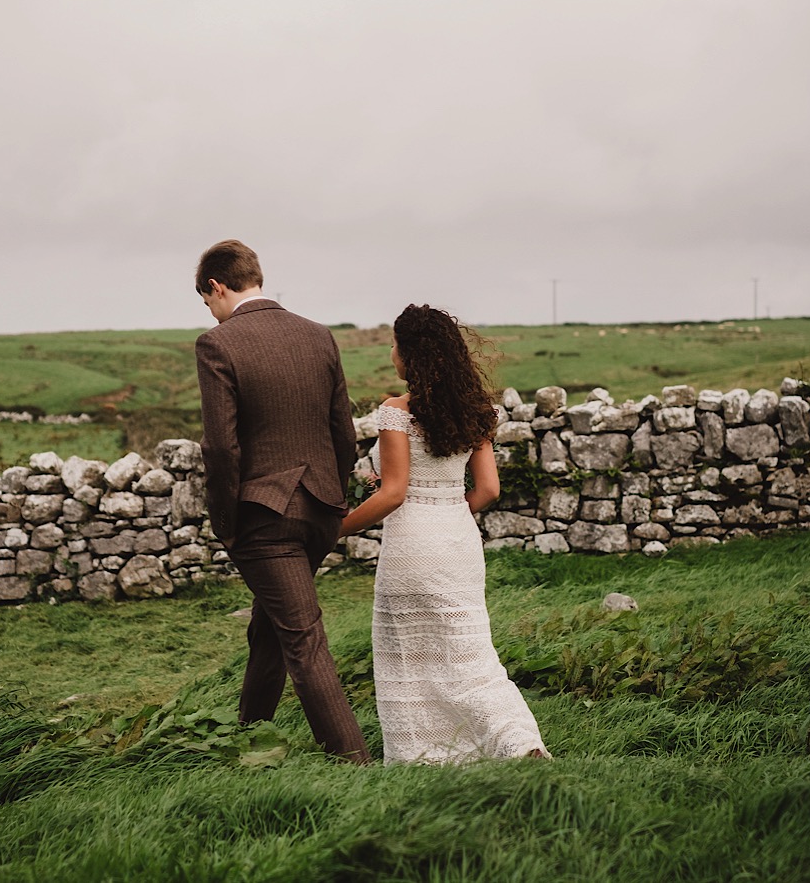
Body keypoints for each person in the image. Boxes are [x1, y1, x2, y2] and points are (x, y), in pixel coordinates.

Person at [340, 304, 549, 764]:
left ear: (411, 355)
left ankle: (424, 756)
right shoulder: (478, 411)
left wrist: (335, 529)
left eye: (394, 344)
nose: (390, 352)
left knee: (410, 656)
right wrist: (450, 508)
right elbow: (489, 489)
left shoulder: (397, 412)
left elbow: (393, 494)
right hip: (458, 540)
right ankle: (517, 742)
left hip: (412, 544)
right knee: (471, 654)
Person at [193, 239, 370, 764]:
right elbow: (345, 436)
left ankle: (355, 764)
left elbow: (221, 448)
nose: (212, 312)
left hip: (264, 520)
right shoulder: (319, 336)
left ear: (218, 287)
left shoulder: (217, 344)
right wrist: (333, 502)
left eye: (208, 302)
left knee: (304, 642)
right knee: (268, 631)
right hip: (319, 512)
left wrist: (227, 524)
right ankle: (248, 742)